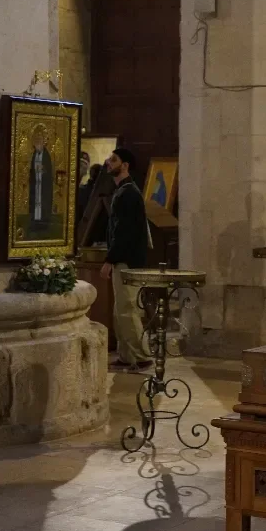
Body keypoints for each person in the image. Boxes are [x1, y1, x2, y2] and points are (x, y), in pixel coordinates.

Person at [99, 149, 152, 372]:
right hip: (124, 258)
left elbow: (125, 231)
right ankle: (126, 355)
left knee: (127, 309)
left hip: (128, 261)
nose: (108, 163)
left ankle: (142, 357)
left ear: (126, 165)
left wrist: (110, 258)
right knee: (120, 309)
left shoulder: (129, 193)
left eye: (114, 160)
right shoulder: (123, 190)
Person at [28, 125, 54, 234]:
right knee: (36, 204)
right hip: (36, 184)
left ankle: (44, 224)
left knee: (43, 203)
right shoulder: (35, 154)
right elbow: (32, 169)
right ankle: (35, 223)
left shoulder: (46, 155)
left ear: (44, 142)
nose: (38, 142)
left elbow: (49, 170)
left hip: (44, 185)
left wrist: (44, 170)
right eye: (36, 140)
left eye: (40, 140)